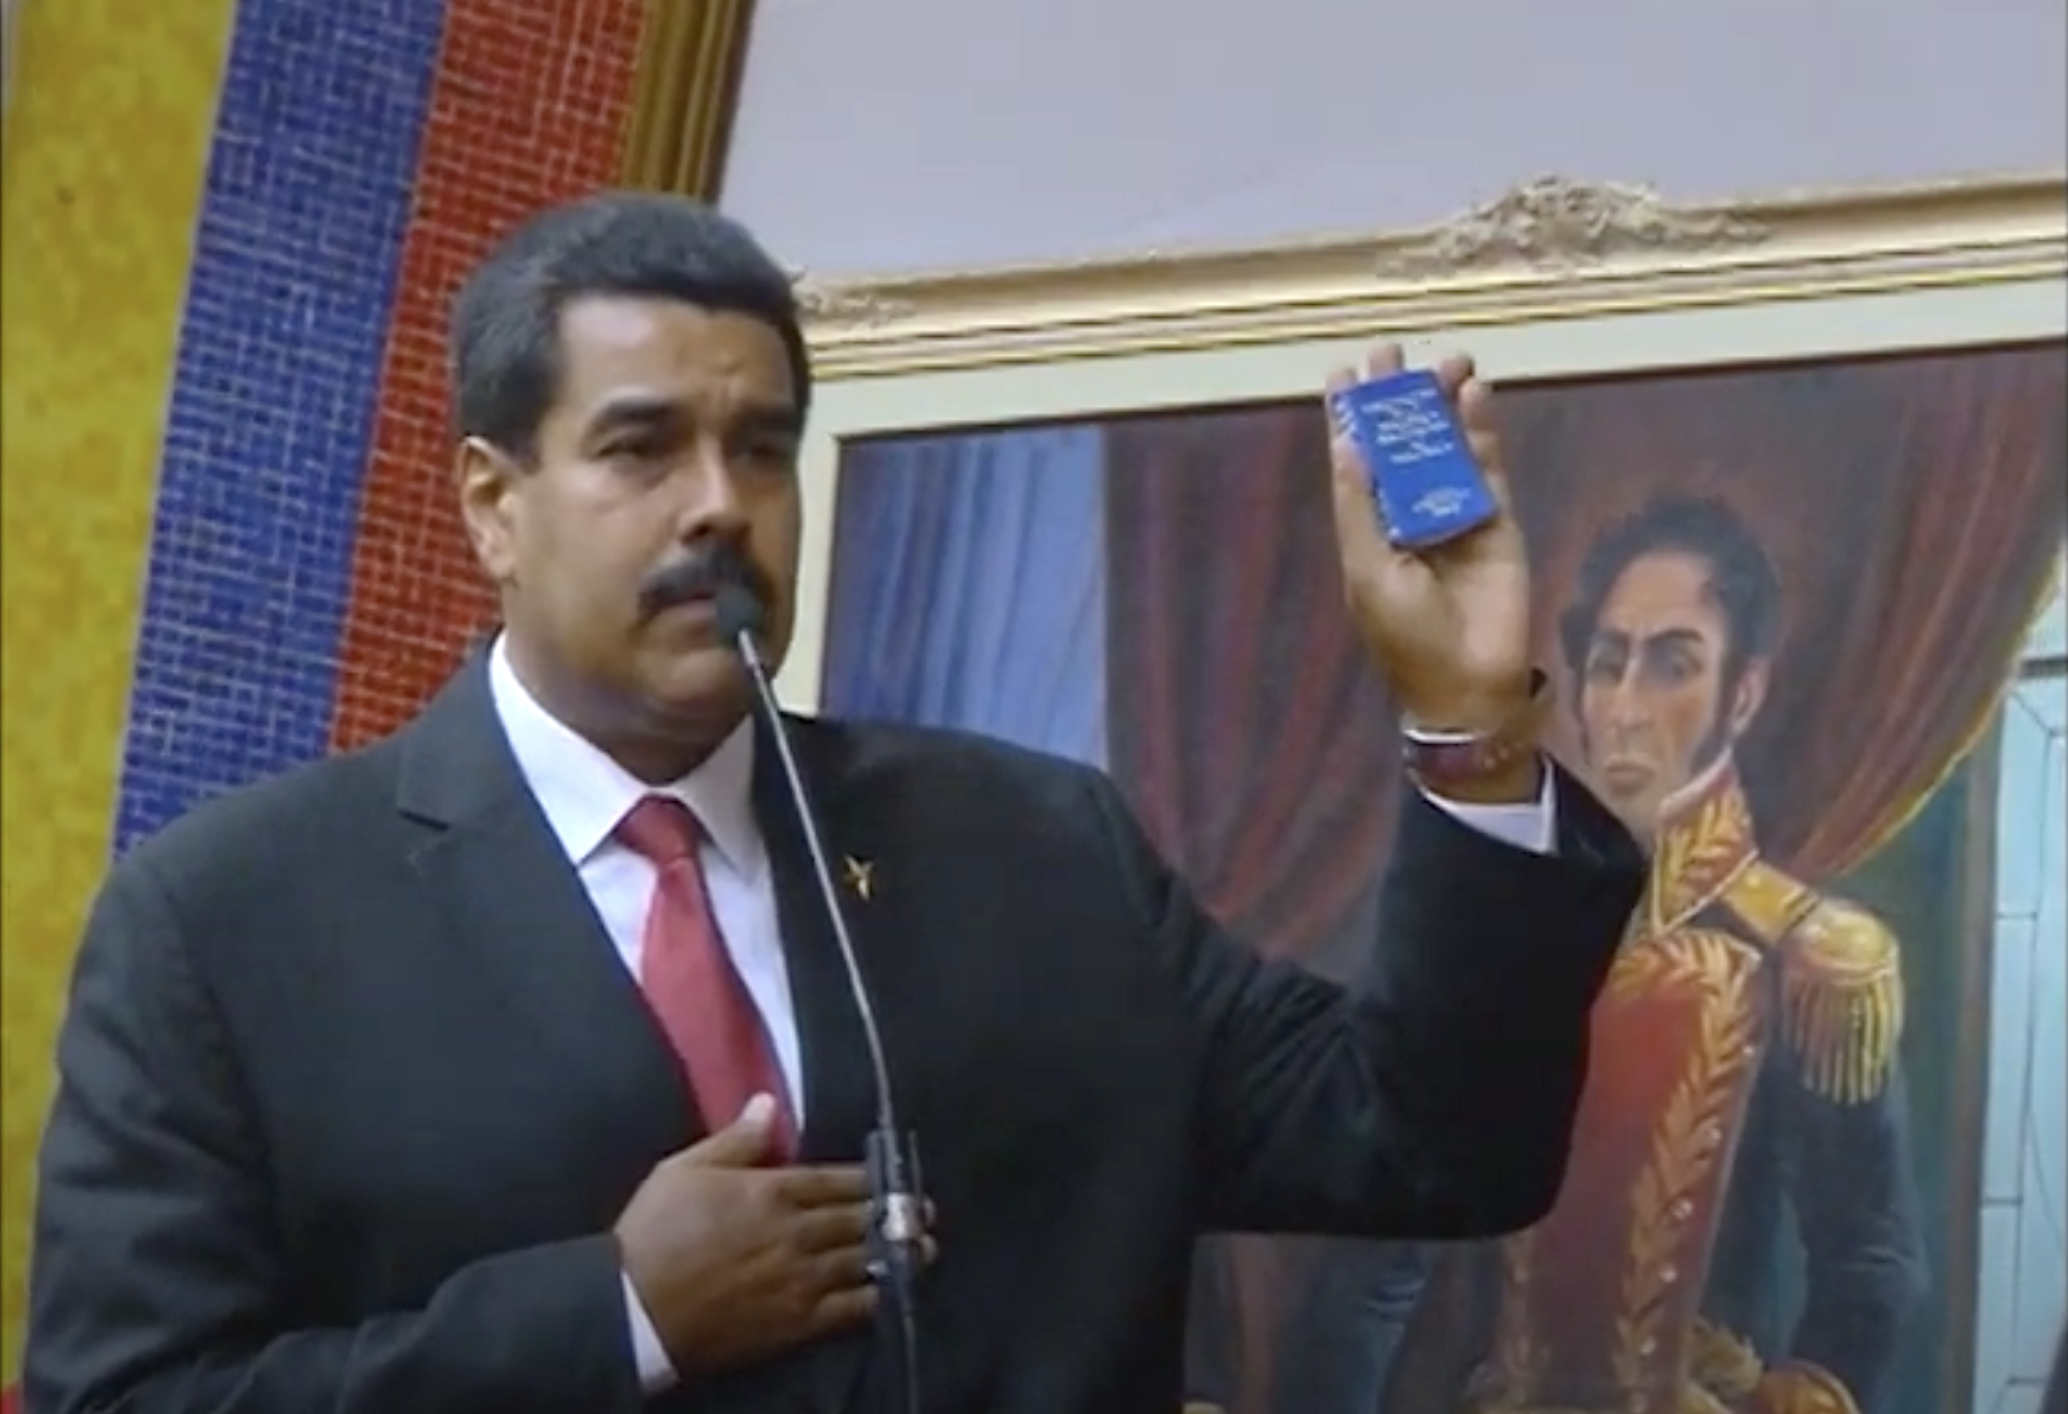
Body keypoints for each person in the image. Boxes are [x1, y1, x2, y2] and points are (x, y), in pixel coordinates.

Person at [22, 192, 1644, 1414]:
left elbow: (1432, 1145)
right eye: (641, 448)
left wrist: (1462, 721)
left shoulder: (1035, 851)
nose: (719, 505)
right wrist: (620, 1313)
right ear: (493, 503)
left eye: (762, 447)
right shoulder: (229, 920)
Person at [1391, 494, 1927, 1414]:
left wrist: (1798, 1396)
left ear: (1743, 693)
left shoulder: (1809, 957)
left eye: (1674, 665)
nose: (1629, 707)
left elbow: (1871, 1262)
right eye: (1609, 665)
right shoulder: (1515, 939)